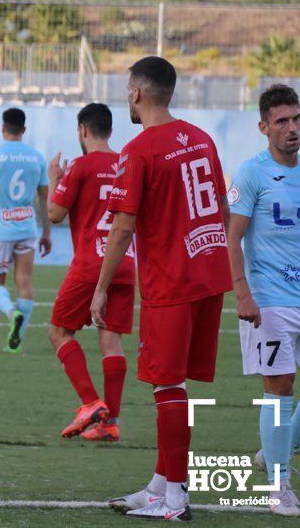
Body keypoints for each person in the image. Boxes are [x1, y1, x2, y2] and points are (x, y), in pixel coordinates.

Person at [90, 57, 232, 521]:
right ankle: (159, 485)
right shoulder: (202, 137)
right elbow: (223, 210)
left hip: (172, 280)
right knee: (174, 382)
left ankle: (174, 499)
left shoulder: (140, 150)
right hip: (209, 273)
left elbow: (123, 228)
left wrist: (101, 287)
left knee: (167, 385)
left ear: (135, 93)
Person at [227, 84, 300, 517]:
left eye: (297, 119)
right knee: (280, 388)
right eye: (282, 122)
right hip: (269, 300)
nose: (292, 129)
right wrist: (242, 292)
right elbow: (232, 239)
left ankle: (274, 450)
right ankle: (280, 486)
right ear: (263, 127)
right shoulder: (252, 173)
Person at [47, 103, 135, 442]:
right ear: (110, 131)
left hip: (91, 265)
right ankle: (109, 423)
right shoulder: (128, 164)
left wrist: (55, 179)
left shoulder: (81, 166)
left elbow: (55, 213)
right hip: (125, 263)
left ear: (83, 131)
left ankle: (88, 403)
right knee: (111, 341)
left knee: (58, 332)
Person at [0, 107, 51, 353]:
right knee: (25, 282)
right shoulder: (37, 158)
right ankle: (16, 344)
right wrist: (47, 233)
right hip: (27, 229)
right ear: (24, 129)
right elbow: (45, 199)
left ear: (3, 127)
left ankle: (11, 313)